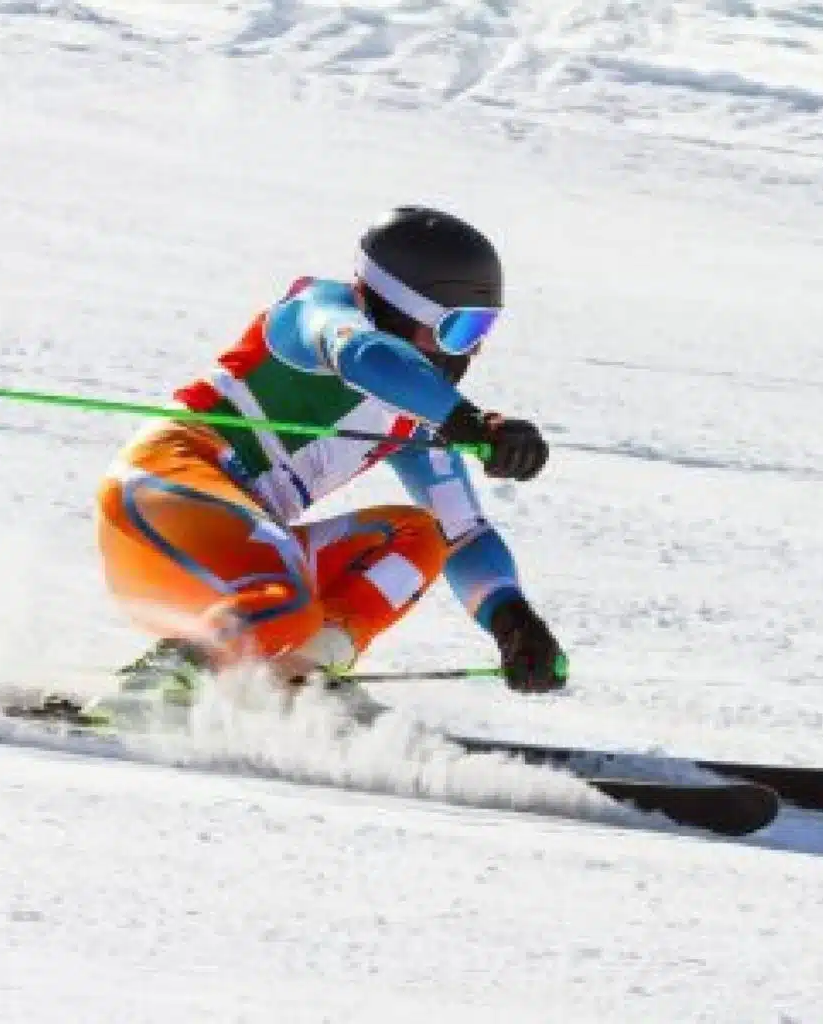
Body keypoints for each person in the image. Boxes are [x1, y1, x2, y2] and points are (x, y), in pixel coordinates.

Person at [95, 205, 567, 709]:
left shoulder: (417, 417)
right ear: (401, 309)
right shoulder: (316, 313)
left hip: (227, 567)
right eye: (460, 330)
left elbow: (464, 531)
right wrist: (473, 424)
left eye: (482, 332)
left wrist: (511, 618)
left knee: (420, 539)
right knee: (289, 603)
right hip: (160, 493)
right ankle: (153, 688)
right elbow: (366, 356)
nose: (470, 353)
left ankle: (298, 680)